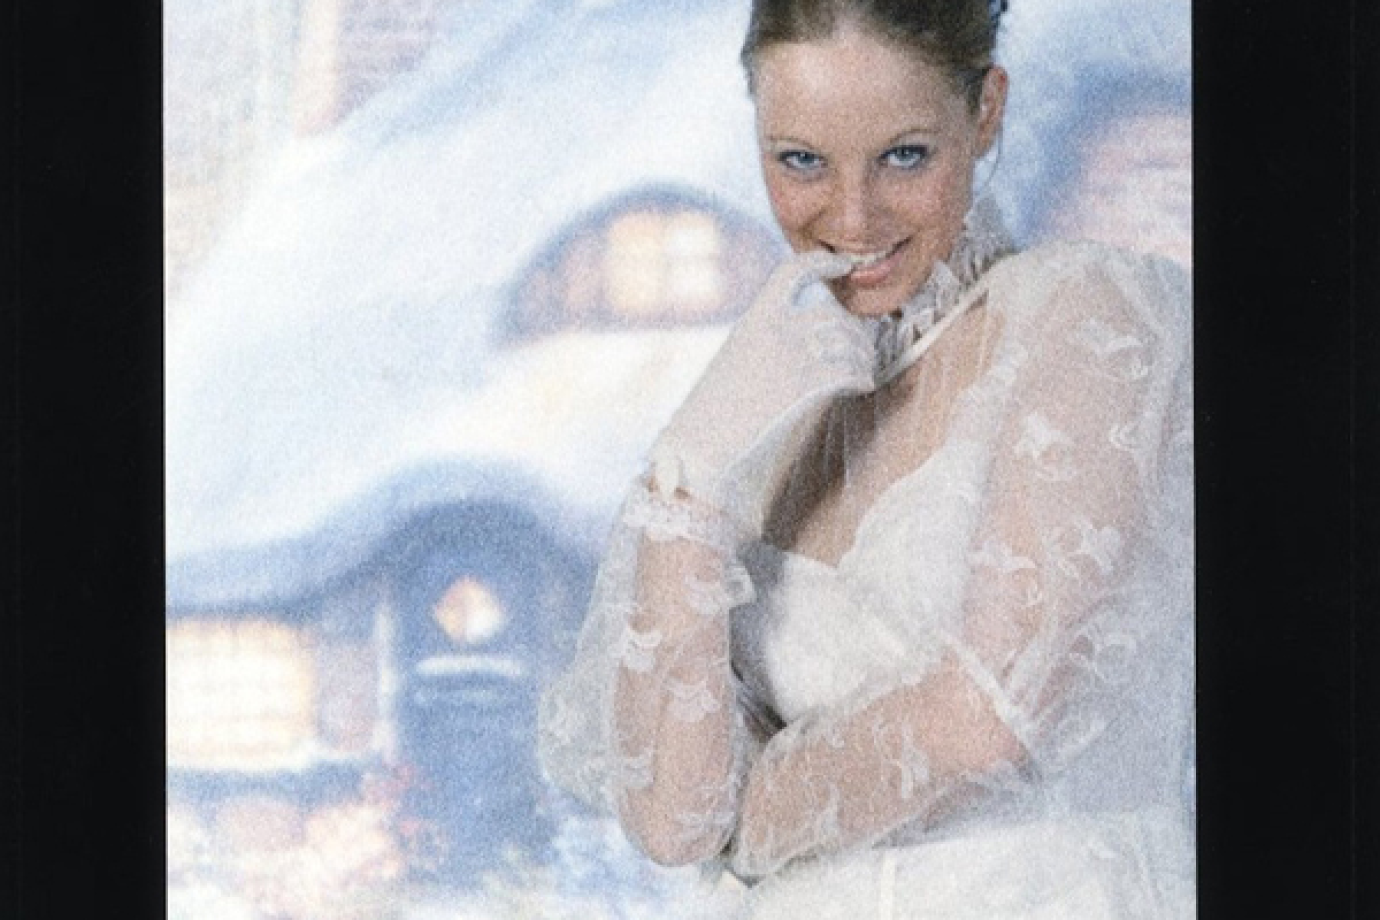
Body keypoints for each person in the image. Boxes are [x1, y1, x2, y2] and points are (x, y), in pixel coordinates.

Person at [538, 1, 1194, 917]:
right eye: (801, 161)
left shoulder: (1091, 315)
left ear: (987, 111)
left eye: (905, 156)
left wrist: (745, 825)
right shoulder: (778, 413)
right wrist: (692, 469)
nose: (851, 218)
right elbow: (672, 824)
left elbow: (986, 719)